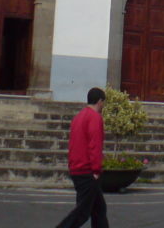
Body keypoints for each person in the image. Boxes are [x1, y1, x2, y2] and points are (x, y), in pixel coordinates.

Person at [55, 87, 109, 228]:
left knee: (99, 208)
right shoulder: (95, 118)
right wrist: (96, 170)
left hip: (77, 167)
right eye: (103, 102)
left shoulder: (78, 117)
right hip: (86, 170)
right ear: (99, 101)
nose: (103, 106)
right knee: (83, 211)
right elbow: (94, 144)